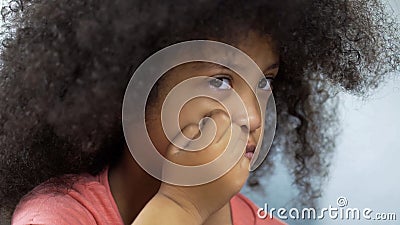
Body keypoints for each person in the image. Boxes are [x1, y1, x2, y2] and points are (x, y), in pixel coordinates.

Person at [0, 0, 398, 224]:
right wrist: (181, 206)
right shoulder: (56, 217)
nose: (255, 118)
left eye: (264, 83)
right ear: (129, 86)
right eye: (220, 81)